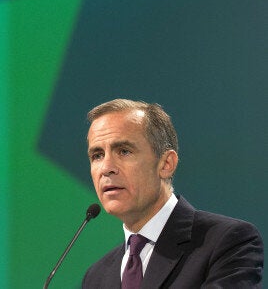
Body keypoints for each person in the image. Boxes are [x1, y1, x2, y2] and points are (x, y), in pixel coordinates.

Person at [81, 99, 263, 288]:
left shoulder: (226, 242)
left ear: (166, 164)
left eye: (124, 151)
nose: (106, 168)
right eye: (97, 155)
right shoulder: (96, 277)